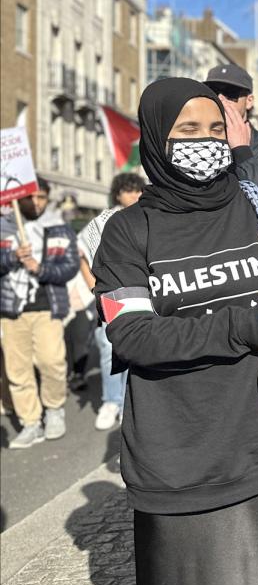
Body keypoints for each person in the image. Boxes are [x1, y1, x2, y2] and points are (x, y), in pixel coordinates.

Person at [91, 78, 258, 585]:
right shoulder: (128, 231)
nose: (205, 141)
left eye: (215, 128)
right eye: (188, 129)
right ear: (157, 137)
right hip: (176, 464)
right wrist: (240, 327)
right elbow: (132, 335)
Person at [1, 178, 80, 448]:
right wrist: (11, 257)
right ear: (18, 198)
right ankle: (30, 422)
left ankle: (54, 410)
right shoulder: (4, 228)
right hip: (12, 310)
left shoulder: (60, 227)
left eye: (41, 197)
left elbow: (69, 268)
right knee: (17, 369)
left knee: (51, 362)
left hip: (48, 307)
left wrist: (40, 268)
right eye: (30, 197)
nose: (35, 203)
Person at [77, 172, 146, 429]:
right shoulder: (102, 221)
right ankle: (111, 400)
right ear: (118, 193)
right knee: (108, 350)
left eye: (138, 190)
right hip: (111, 297)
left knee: (136, 350)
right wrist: (97, 291)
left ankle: (129, 403)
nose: (134, 195)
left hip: (143, 297)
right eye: (129, 191)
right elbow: (84, 256)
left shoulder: (149, 217)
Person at [205, 64, 258, 192]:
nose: (220, 98)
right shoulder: (200, 141)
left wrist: (241, 152)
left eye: (231, 92)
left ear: (249, 101)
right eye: (212, 91)